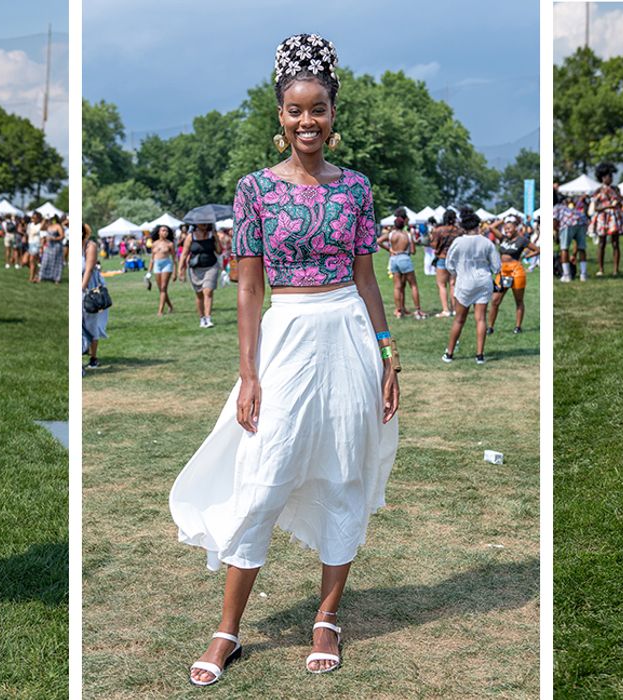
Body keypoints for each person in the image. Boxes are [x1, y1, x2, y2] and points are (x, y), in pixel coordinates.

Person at [171, 33, 398, 686]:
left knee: (343, 472)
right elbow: (247, 287)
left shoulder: (356, 189)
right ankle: (227, 630)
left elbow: (366, 278)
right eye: (296, 110)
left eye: (318, 109)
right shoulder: (253, 191)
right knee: (262, 477)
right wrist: (248, 374)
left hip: (350, 335)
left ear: (333, 114)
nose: (308, 121)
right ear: (280, 115)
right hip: (288, 335)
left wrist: (387, 357)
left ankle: (327, 615)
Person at [442, 208, 501, 363]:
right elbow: (496, 267)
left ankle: (449, 353)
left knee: (459, 320)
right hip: (483, 281)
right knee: (480, 319)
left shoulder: (459, 242)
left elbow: (449, 263)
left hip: (465, 281)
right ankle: (479, 355)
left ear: (463, 227)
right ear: (478, 225)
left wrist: (457, 271)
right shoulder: (487, 242)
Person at [488, 215, 536, 334]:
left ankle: (518, 327)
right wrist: (502, 220)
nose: (507, 230)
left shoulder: (522, 240)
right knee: (495, 300)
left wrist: (525, 256)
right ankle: (490, 327)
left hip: (516, 271)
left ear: (515, 228)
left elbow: (537, 249)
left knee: (518, 300)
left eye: (509, 228)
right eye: (505, 228)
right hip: (503, 271)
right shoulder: (503, 238)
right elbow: (491, 227)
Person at [378, 208, 426, 319]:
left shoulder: (390, 234)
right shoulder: (408, 234)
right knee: (413, 285)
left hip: (393, 259)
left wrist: (389, 250)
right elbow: (413, 251)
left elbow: (378, 241)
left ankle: (399, 311)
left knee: (397, 287)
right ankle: (418, 310)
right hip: (405, 258)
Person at [178, 222, 224, 328]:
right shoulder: (191, 236)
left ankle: (208, 318)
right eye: (202, 223)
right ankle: (202, 318)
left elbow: (219, 251)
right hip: (195, 268)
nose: (204, 224)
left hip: (211, 266)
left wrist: (216, 237)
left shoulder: (212, 235)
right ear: (196, 224)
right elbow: (184, 254)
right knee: (199, 294)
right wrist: (181, 269)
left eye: (206, 222)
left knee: (208, 291)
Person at [591, 163, 623, 277]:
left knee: (616, 243)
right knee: (602, 243)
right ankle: (601, 269)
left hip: (613, 218)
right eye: (608, 176)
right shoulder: (598, 191)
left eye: (611, 176)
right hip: (603, 217)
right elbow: (595, 207)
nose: (610, 178)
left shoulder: (616, 189)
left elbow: (621, 202)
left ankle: (616, 269)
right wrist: (607, 207)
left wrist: (618, 203)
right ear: (602, 177)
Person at [82, 224, 107, 368]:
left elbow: (89, 269)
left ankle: (93, 357)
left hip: (89, 288)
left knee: (91, 323)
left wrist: (81, 290)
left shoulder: (90, 246)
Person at [429, 210, 461, 315]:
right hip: (455, 260)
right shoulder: (458, 231)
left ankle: (445, 310)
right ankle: (455, 309)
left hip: (442, 258)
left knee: (442, 284)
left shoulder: (439, 230)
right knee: (453, 284)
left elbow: (433, 245)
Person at [553, 190, 588, 282]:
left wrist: (557, 235)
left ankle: (567, 275)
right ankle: (583, 275)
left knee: (564, 248)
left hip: (568, 224)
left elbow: (554, 223)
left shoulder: (555, 208)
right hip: (582, 221)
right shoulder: (565, 206)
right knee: (582, 248)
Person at [150, 224, 176, 315]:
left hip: (167, 265)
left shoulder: (170, 244)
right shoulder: (154, 244)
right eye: (163, 230)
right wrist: (149, 272)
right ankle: (170, 306)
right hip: (157, 265)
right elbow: (152, 259)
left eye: (167, 231)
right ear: (159, 232)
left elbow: (174, 258)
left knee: (163, 287)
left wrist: (175, 272)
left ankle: (160, 311)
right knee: (161, 289)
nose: (165, 232)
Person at [39, 215, 66, 283]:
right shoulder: (49, 226)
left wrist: (54, 238)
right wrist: (44, 219)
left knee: (56, 262)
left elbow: (62, 236)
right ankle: (42, 276)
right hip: (49, 246)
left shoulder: (58, 226)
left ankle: (56, 278)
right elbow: (41, 228)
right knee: (45, 261)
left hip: (56, 246)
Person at [26, 211, 44, 283]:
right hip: (30, 243)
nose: (33, 219)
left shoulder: (40, 225)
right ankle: (37, 273)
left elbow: (43, 237)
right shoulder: (30, 225)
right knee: (25, 261)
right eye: (32, 217)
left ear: (38, 218)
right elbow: (28, 233)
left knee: (32, 261)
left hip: (36, 244)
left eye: (34, 217)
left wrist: (41, 246)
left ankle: (31, 278)